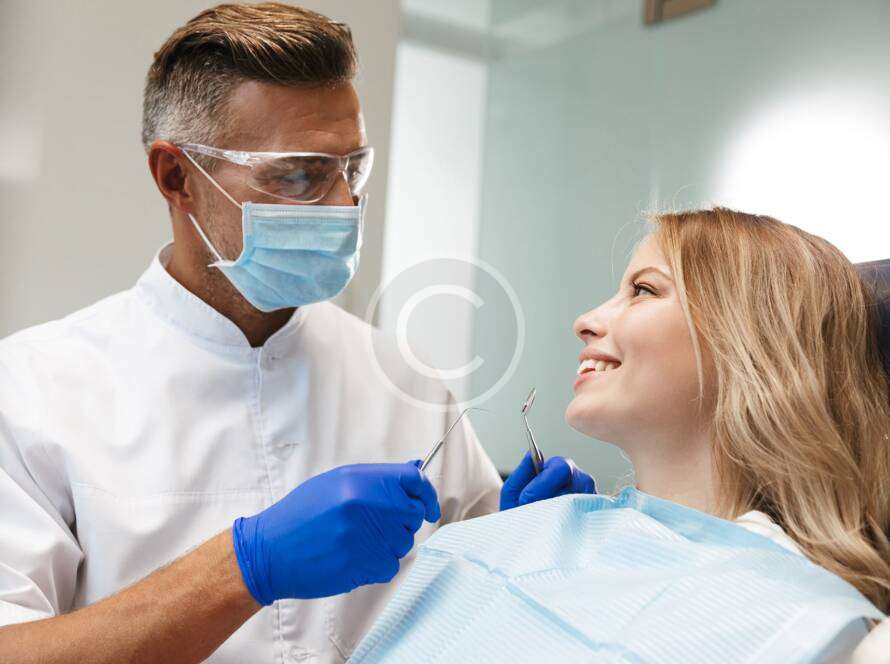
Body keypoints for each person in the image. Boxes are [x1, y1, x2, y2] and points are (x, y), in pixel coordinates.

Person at [0, 4, 597, 663]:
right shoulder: (33, 391)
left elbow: (482, 621)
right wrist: (244, 567)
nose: (343, 207)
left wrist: (526, 548)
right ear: (177, 177)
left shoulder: (405, 382)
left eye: (352, 171)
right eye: (298, 175)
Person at [350, 208, 890, 662]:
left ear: (751, 343)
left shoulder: (820, 630)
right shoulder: (511, 544)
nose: (585, 321)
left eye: (643, 290)